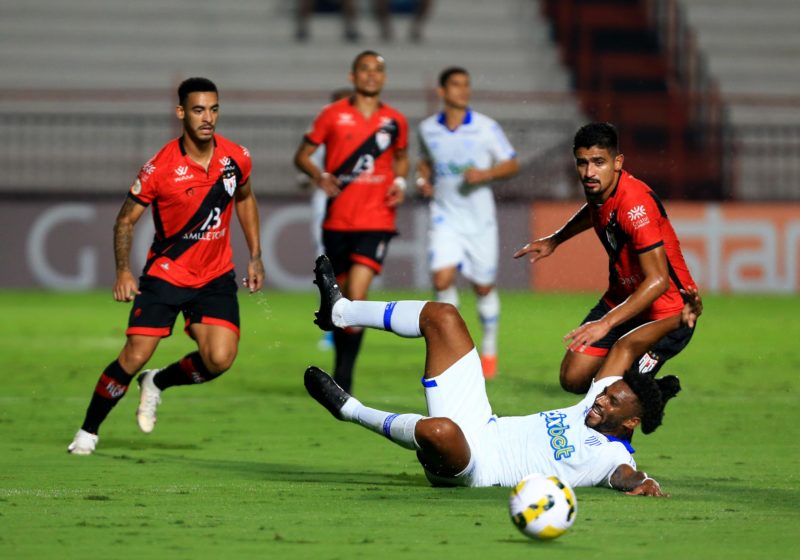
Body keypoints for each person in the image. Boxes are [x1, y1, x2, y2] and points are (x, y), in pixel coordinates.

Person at [305, 255, 700, 493]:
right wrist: (677, 316)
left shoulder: (611, 456)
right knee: (443, 316)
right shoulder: (590, 404)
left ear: (632, 421)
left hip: (474, 467)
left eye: (612, 401)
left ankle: (349, 410)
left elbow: (625, 477)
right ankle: (339, 312)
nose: (600, 398)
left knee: (437, 430)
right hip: (480, 421)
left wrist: (644, 482)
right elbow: (625, 347)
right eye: (605, 392)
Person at [67, 77, 265, 455]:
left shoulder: (236, 157)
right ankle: (88, 431)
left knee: (220, 359)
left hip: (215, 275)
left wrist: (255, 254)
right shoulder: (159, 168)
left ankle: (157, 383)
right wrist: (123, 270)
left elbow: (245, 199)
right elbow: (125, 220)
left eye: (214, 109)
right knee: (135, 354)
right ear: (180, 113)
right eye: (198, 110)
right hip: (167, 274)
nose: (207, 118)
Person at [514, 122, 699, 394]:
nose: (589, 172)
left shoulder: (635, 205)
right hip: (623, 297)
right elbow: (594, 211)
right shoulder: (600, 190)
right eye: (582, 163)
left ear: (617, 162)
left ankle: (645, 394)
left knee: (611, 397)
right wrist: (555, 239)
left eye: (598, 162)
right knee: (573, 378)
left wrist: (606, 323)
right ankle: (640, 385)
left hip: (667, 313)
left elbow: (658, 280)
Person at [294, 50, 409, 393]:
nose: (371, 76)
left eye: (377, 70)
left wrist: (400, 183)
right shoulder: (332, 115)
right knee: (340, 301)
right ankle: (340, 369)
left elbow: (401, 158)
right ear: (352, 75)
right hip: (337, 222)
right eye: (365, 70)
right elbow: (301, 155)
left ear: (384, 78)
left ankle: (344, 378)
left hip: (377, 220)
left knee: (357, 295)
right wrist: (319, 174)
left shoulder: (396, 121)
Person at [416, 66, 519, 379]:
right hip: (445, 217)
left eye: (467, 85)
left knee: (483, 286)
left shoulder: (486, 127)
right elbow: (424, 162)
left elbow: (512, 162)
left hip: (480, 222)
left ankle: (489, 348)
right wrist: (422, 180)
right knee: (442, 279)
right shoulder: (427, 128)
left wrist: (485, 174)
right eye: (457, 85)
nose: (464, 90)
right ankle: (456, 346)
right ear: (442, 91)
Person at [297, 87, 353, 351]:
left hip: (358, 204)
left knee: (353, 269)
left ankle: (349, 318)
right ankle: (333, 325)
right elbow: (307, 163)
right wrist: (312, 176)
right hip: (327, 200)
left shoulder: (365, 130)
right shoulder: (322, 128)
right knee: (328, 264)